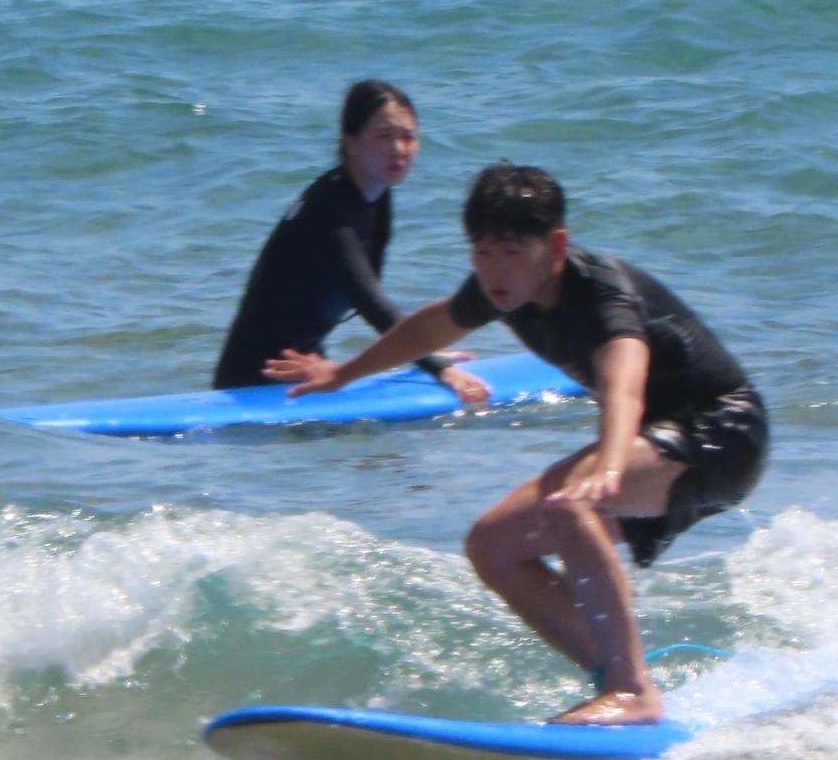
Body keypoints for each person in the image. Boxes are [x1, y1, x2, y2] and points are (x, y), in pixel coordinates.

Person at [290, 164, 767, 724]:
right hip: (653, 438)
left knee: (571, 503)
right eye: (482, 251)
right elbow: (433, 326)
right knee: (492, 545)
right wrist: (342, 374)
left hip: (722, 433)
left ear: (555, 245)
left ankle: (633, 691)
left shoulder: (601, 293)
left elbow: (623, 381)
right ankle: (614, 676)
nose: (495, 268)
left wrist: (609, 464)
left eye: (512, 252)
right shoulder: (505, 288)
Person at [214, 82, 485, 399]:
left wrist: (418, 354)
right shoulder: (331, 210)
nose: (398, 148)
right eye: (384, 135)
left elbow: (370, 295)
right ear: (351, 142)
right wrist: (438, 368)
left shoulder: (374, 195)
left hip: (302, 366)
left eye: (408, 136)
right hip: (257, 380)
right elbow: (373, 305)